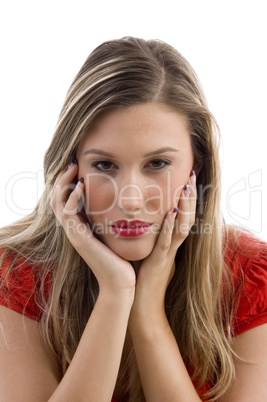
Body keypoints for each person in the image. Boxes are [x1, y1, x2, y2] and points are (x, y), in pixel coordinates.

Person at [0, 36, 266, 402]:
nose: (131, 200)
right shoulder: (15, 275)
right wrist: (116, 290)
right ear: (70, 169)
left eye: (157, 164)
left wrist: (148, 313)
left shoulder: (252, 278)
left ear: (196, 169)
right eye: (104, 165)